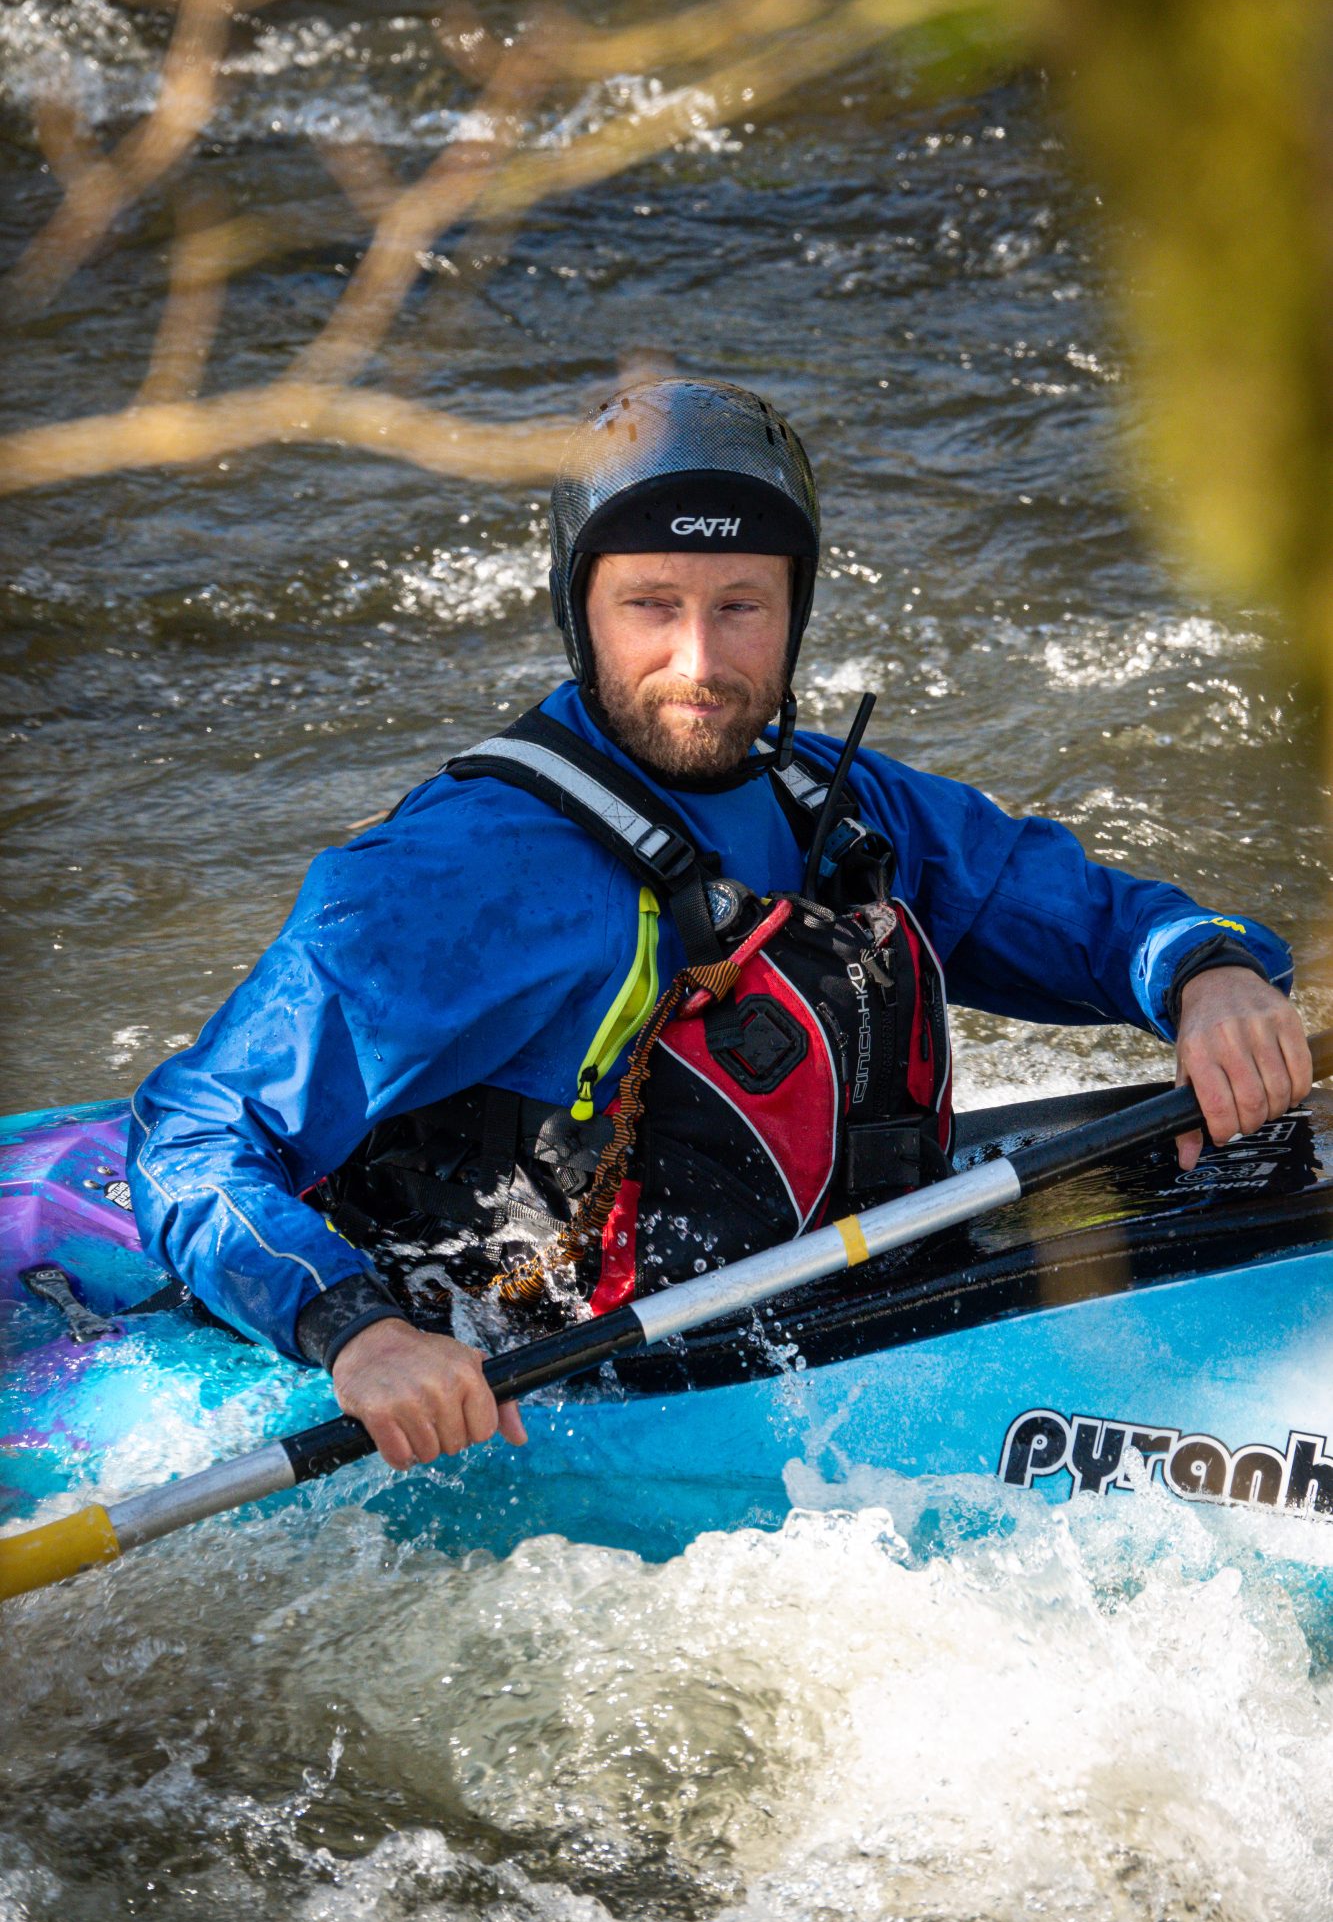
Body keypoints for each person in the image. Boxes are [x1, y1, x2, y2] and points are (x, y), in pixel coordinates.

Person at [128, 377, 1311, 1473]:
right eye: (650, 605)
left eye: (740, 606)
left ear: (794, 614)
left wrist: (1205, 974)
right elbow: (193, 1131)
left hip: (833, 1303)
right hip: (567, 1375)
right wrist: (361, 1334)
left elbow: (1067, 907)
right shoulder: (463, 870)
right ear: (579, 612)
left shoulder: (828, 800)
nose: (697, 661)